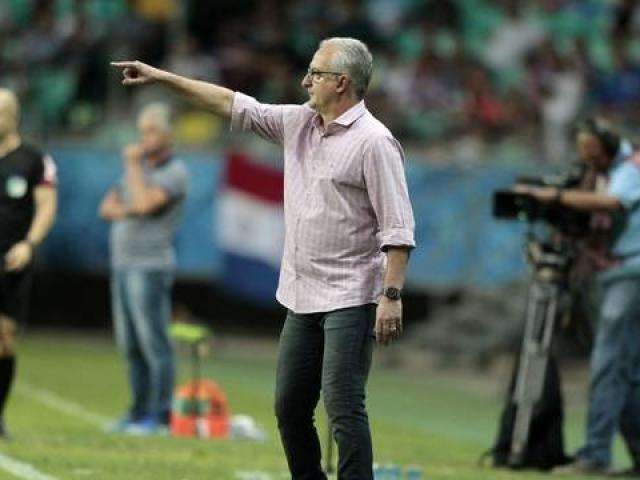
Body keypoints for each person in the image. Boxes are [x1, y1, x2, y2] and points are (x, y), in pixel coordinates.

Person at [112, 36, 416, 478]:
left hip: (352, 294)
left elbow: (398, 228)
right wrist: (163, 79)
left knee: (344, 405)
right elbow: (233, 103)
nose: (305, 80)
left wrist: (391, 294)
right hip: (301, 293)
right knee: (289, 406)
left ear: (342, 83)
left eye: (316, 73)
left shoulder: (375, 143)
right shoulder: (298, 123)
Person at [517, 118, 640, 477]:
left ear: (611, 147)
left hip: (630, 272)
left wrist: (551, 197)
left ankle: (596, 455)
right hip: (618, 272)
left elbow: (612, 203)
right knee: (629, 371)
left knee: (607, 363)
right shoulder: (607, 170)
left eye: (594, 156)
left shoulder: (629, 168)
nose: (590, 163)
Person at [99, 103, 188, 435]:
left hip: (149, 266)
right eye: (141, 130)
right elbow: (106, 208)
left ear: (167, 135)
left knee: (154, 343)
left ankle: (161, 415)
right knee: (130, 344)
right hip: (122, 264)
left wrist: (132, 165)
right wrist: (130, 201)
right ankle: (138, 412)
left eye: (150, 130)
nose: (143, 138)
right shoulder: (137, 171)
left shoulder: (174, 172)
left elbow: (141, 204)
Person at [0, 88, 57, 438]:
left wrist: (30, 244)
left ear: (13, 116)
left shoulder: (35, 160)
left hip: (12, 259)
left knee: (4, 339)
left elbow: (47, 206)